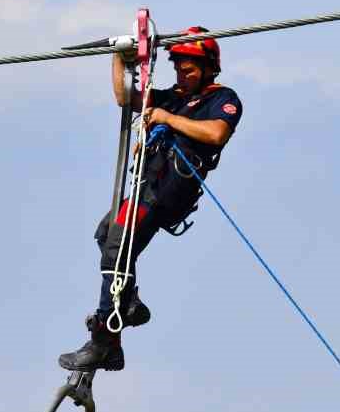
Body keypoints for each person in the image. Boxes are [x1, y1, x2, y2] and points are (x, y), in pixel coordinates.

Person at [58, 27, 245, 372]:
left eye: (188, 70)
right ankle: (127, 304)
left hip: (170, 187)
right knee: (106, 234)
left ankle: (105, 338)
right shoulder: (172, 97)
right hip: (149, 183)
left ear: (208, 69)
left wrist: (166, 118)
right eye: (178, 69)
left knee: (117, 245)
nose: (181, 75)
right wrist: (120, 56)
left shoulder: (221, 99)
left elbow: (217, 133)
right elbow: (127, 99)